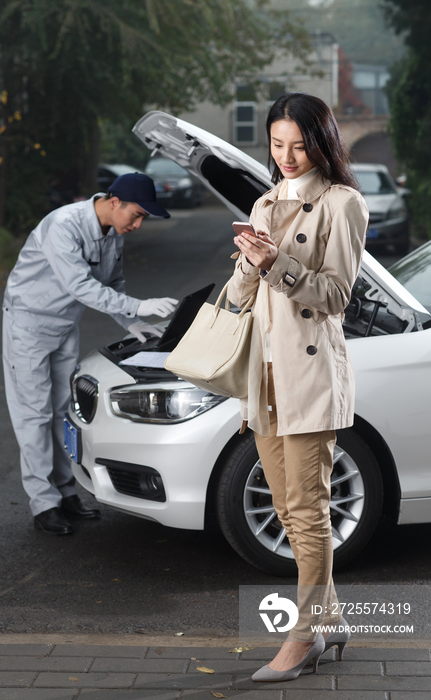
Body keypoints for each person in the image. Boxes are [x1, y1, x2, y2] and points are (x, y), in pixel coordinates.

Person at [227, 93, 368, 681]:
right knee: (287, 509)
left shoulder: (343, 203)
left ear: (322, 141)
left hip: (309, 375)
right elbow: (240, 298)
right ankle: (330, 620)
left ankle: (304, 636)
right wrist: (246, 262)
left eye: (300, 144)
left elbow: (336, 296)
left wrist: (274, 266)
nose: (288, 155)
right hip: (265, 377)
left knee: (308, 513)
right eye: (278, 143)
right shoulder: (262, 203)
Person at [3, 172, 178, 536]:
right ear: (115, 202)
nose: (139, 224)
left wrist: (130, 322)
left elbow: (112, 284)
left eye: (144, 217)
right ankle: (43, 504)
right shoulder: (62, 225)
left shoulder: (114, 233)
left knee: (64, 412)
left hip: (65, 325)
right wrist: (142, 305)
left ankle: (66, 494)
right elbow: (81, 285)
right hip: (28, 325)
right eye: (137, 214)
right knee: (33, 416)